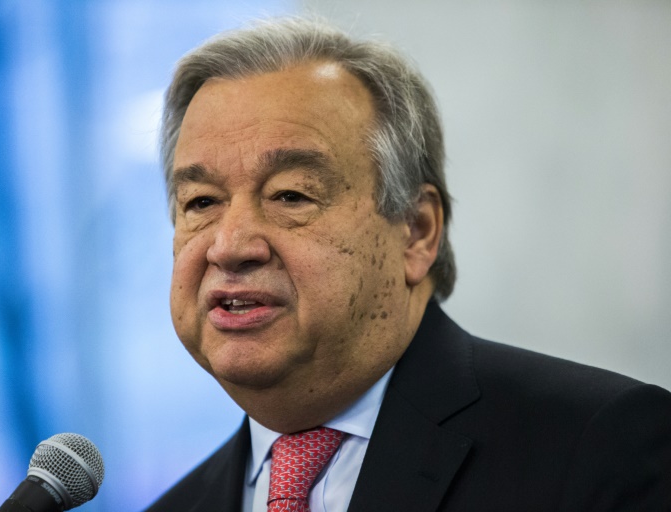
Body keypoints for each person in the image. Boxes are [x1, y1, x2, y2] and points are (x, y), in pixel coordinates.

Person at [145, 17, 671, 512]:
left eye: (291, 195)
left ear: (417, 231)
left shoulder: (600, 448)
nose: (229, 246)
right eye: (201, 202)